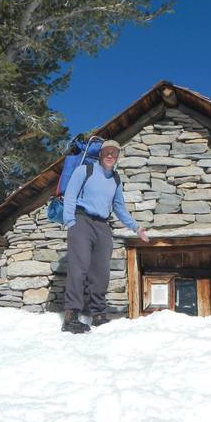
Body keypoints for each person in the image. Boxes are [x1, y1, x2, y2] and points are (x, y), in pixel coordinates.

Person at [61, 140, 150, 333]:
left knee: (101, 272)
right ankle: (71, 316)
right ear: (101, 154)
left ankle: (99, 314)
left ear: (118, 156)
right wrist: (70, 221)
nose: (110, 155)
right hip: (82, 221)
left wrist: (136, 228)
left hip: (103, 226)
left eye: (114, 153)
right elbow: (70, 194)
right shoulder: (85, 170)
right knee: (79, 267)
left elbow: (119, 207)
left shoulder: (116, 179)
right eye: (107, 152)